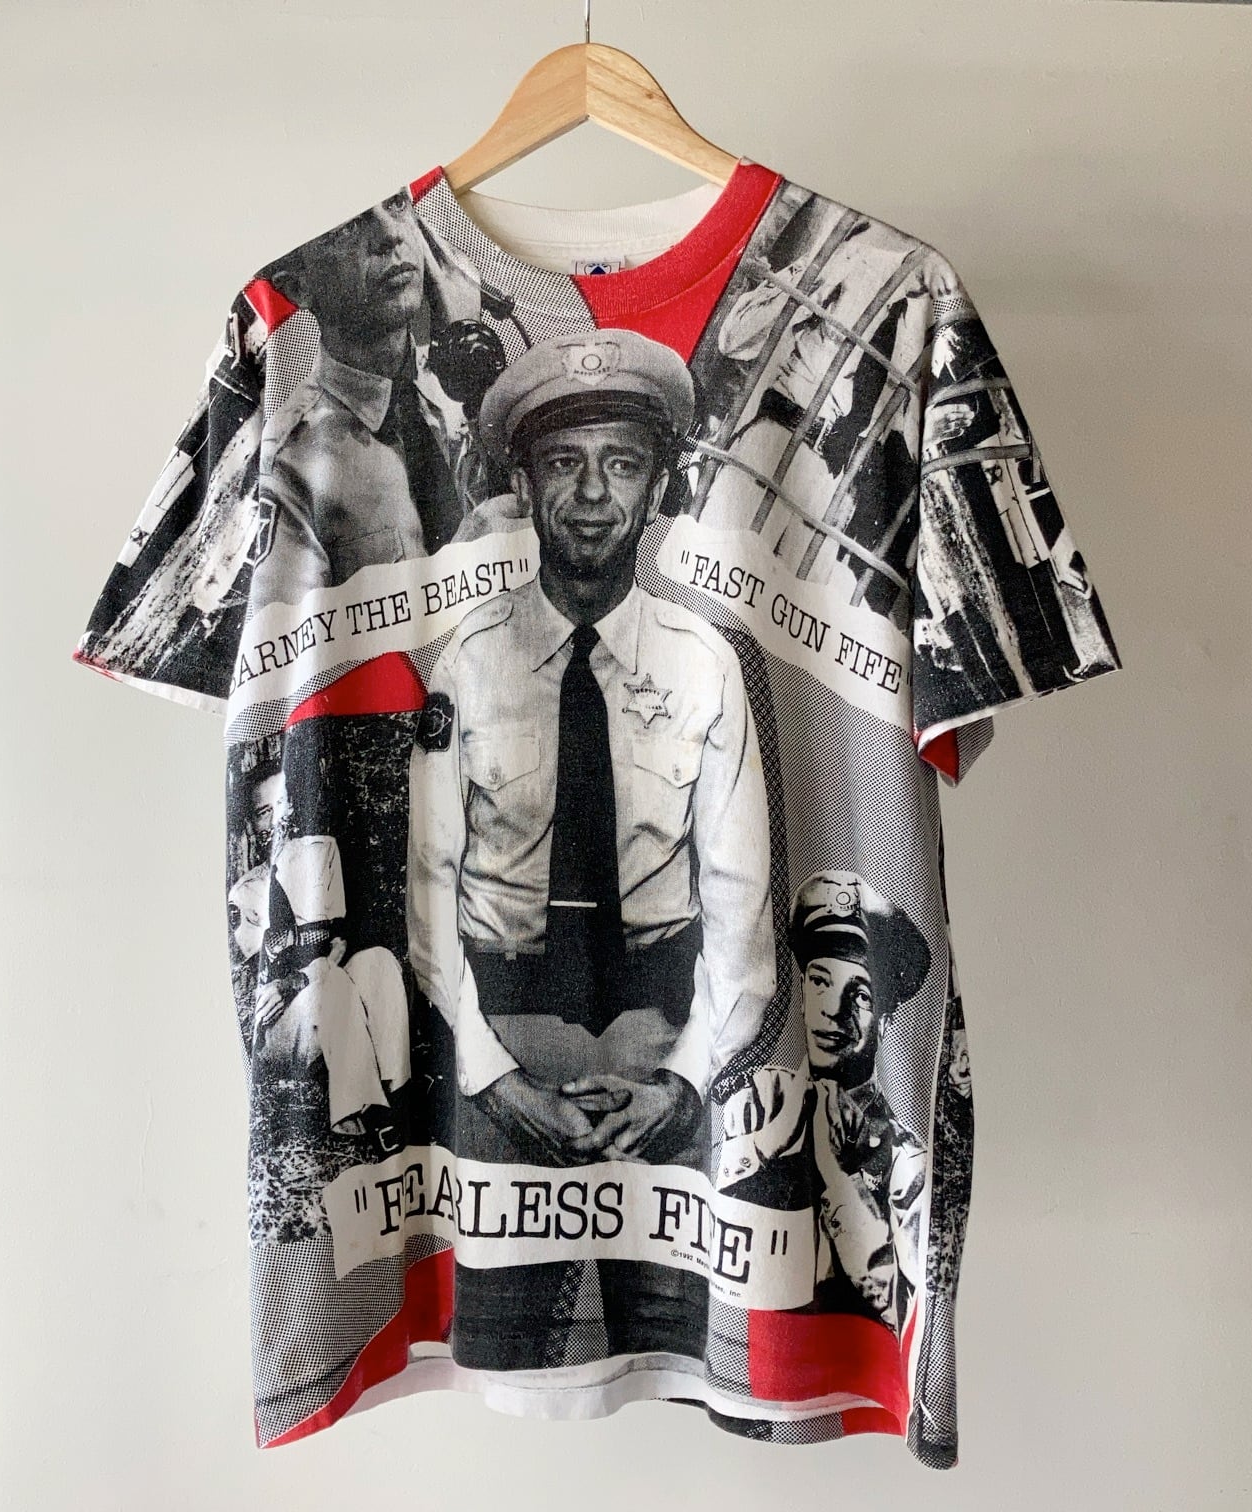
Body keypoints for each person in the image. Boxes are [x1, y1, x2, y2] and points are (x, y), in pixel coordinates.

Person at [406, 328, 777, 1367]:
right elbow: (427, 898)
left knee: (673, 1351)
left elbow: (741, 907)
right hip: (501, 1045)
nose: (592, 495)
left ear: (658, 488)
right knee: (499, 1354)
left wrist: (684, 1084)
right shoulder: (466, 665)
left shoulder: (703, 664)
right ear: (523, 484)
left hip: (661, 1044)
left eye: (622, 465)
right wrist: (495, 1083)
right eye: (564, 463)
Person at [717, 870, 930, 1333]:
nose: (833, 1011)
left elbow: (900, 1312)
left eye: (861, 995)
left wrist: (840, 1178)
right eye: (819, 982)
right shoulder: (757, 1106)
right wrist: (764, 1147)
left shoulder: (905, 1163)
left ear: (885, 1018)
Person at [249, 188, 478, 608]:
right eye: (347, 227)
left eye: (396, 204)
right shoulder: (289, 464)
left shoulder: (469, 393)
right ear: (298, 286)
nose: (390, 235)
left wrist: (468, 347)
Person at [696, 235, 926, 616]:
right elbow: (733, 340)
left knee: (793, 616)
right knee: (711, 585)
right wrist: (806, 276)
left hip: (830, 485)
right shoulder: (855, 258)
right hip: (775, 442)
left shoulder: (927, 325)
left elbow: (912, 437)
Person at [228, 757, 411, 1149]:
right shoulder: (246, 891)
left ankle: (397, 1098)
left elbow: (338, 943)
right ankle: (358, 1112)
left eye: (282, 803)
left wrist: (298, 978)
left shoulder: (320, 852)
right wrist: (291, 981)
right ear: (250, 826)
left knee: (378, 962)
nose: (276, 819)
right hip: (280, 1028)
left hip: (323, 997)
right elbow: (252, 983)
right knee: (331, 980)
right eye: (262, 812)